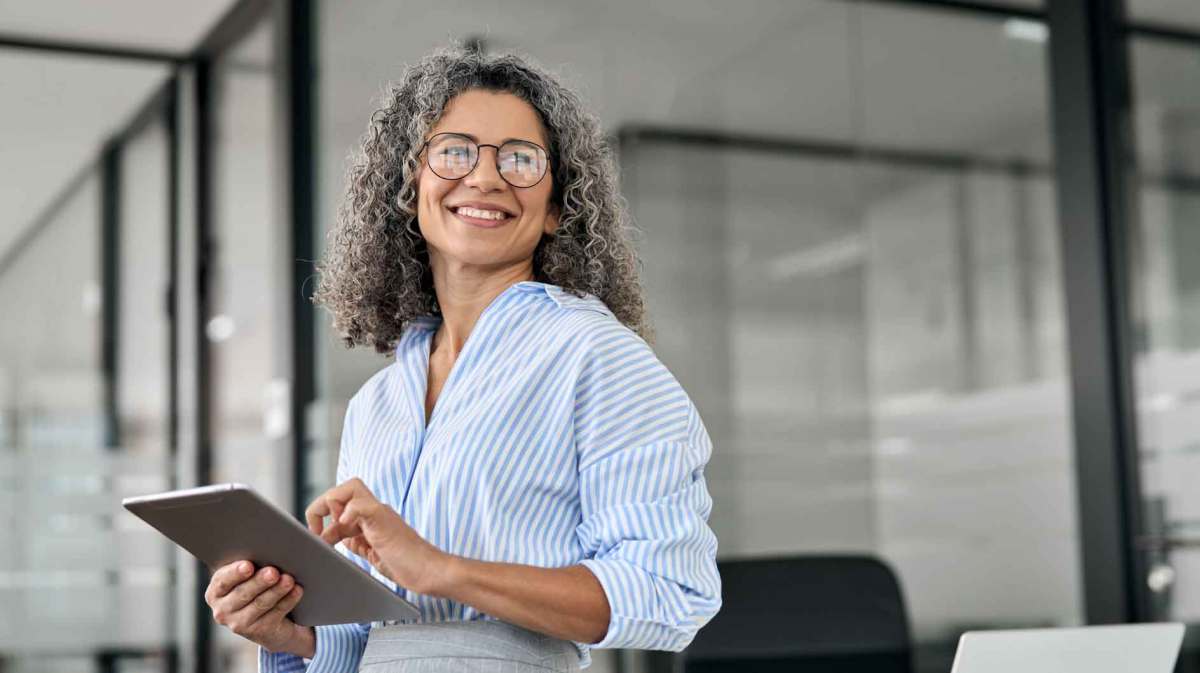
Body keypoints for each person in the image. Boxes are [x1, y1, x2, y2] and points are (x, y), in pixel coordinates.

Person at [202, 45, 721, 672]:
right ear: (410, 182)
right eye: (454, 151)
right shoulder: (378, 404)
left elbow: (671, 593)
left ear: (558, 206)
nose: (484, 177)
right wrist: (290, 633)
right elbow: (377, 635)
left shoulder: (596, 356)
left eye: (520, 160)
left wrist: (443, 569)